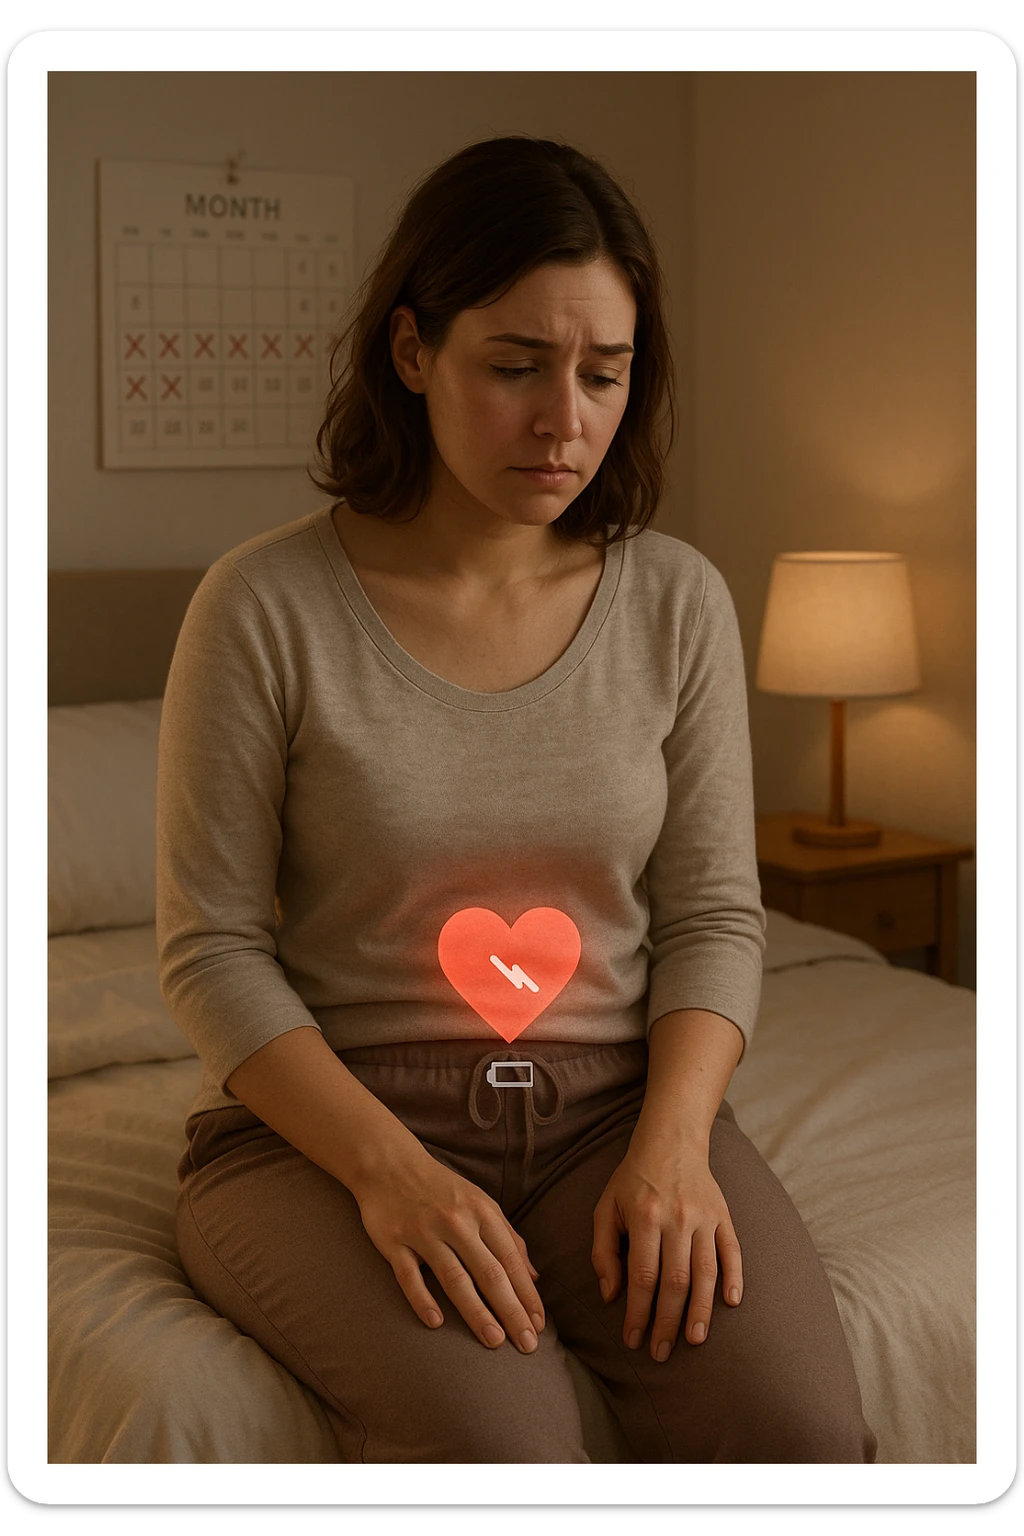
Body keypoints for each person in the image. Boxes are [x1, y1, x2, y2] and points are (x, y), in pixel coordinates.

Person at [160, 135, 877, 1465]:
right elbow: (208, 948)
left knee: (802, 1433)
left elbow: (717, 910)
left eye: (604, 375)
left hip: (613, 1111)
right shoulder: (263, 607)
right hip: (333, 1126)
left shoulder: (678, 602)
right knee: (504, 1451)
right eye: (515, 367)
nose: (566, 421)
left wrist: (673, 1147)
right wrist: (390, 1172)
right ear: (412, 350)